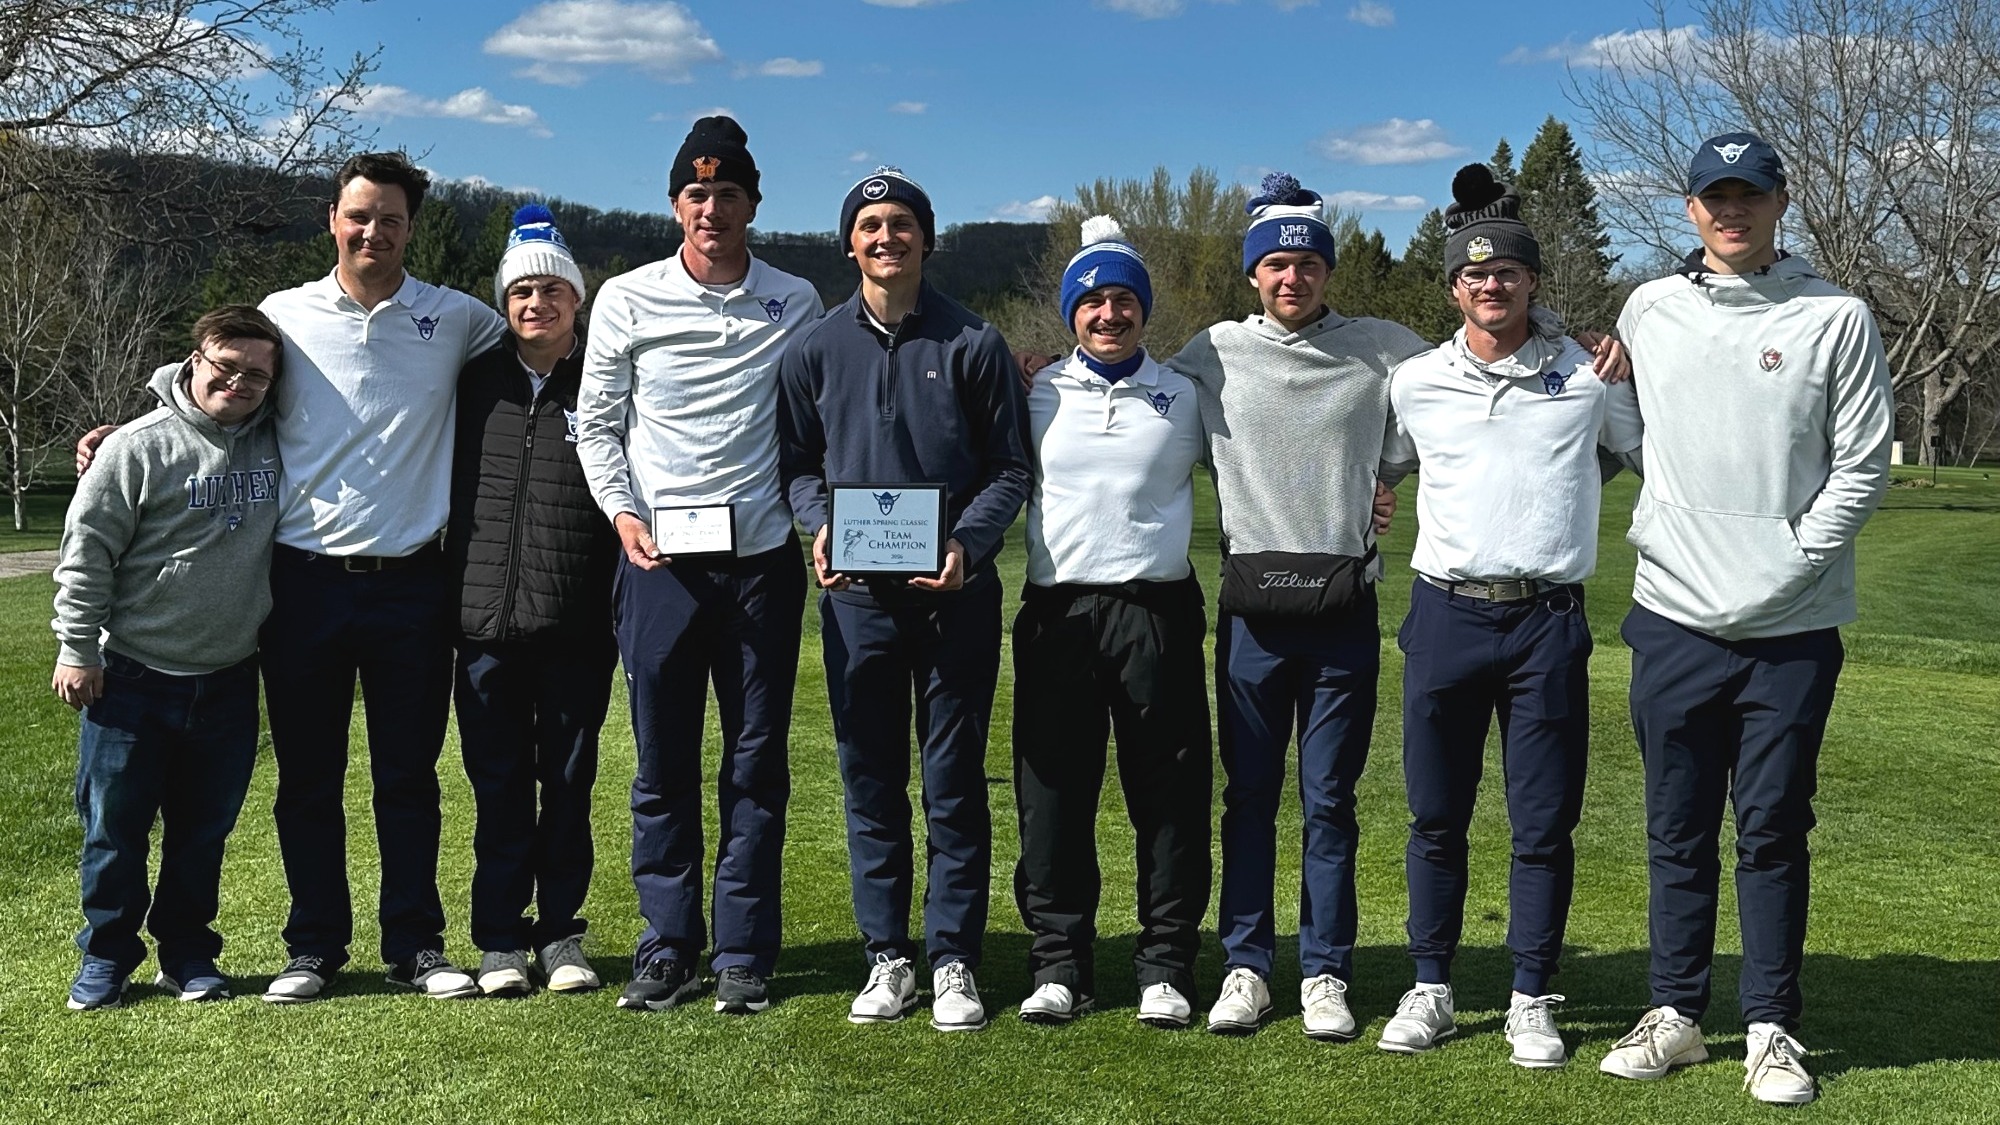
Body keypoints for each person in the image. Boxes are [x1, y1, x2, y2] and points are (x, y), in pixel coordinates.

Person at [1596, 133, 1892, 1106]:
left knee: (1770, 831)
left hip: (1790, 631)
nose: (1732, 211)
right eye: (1714, 196)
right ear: (1690, 209)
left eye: (1749, 195)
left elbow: (1861, 465)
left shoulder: (1834, 316)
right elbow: (1629, 429)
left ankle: (1769, 1027)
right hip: (1673, 618)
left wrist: (1787, 564)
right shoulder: (1649, 306)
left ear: (1779, 201)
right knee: (1675, 830)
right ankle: (1676, 1015)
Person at [1374, 165, 1643, 1067]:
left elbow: (1642, 454)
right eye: (1475, 274)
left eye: (1508, 273)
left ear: (1532, 281)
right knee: (1435, 815)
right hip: (1445, 615)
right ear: (1454, 287)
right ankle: (1432, 985)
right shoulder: (1416, 380)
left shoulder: (1586, 375)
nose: (1492, 286)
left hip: (1546, 624)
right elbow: (1384, 467)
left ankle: (1532, 994)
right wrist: (1374, 497)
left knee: (1542, 822)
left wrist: (1626, 369)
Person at [1166, 173, 1428, 1040]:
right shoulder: (1214, 350)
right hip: (1252, 612)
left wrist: (1383, 479)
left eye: (1308, 263)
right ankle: (1246, 965)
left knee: (1329, 800)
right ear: (1253, 273)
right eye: (1276, 264)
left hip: (1343, 607)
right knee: (1248, 795)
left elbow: (1468, 364)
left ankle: (1324, 971)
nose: (1293, 277)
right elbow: (1134, 389)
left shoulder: (1380, 345)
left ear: (1327, 271)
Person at [776, 166, 1032, 1032]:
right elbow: (797, 465)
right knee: (872, 780)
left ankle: (953, 956)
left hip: (956, 597)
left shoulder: (975, 341)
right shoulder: (814, 348)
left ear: (928, 238)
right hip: (858, 602)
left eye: (901, 224)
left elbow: (1010, 468)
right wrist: (818, 523)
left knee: (953, 780)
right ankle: (888, 955)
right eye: (870, 225)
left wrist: (967, 543)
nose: (886, 237)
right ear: (849, 244)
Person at [576, 116, 822, 1015]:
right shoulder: (627, 297)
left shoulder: (796, 299)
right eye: (695, 193)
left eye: (726, 194)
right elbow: (597, 425)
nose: (710, 208)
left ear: (753, 204)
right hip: (660, 567)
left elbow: (815, 424)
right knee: (662, 764)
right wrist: (622, 513)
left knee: (756, 765)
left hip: (761, 566)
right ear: (675, 205)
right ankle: (669, 943)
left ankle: (744, 950)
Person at [253, 152, 505, 1001]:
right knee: (308, 778)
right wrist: (126, 429)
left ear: (410, 228)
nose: (373, 231)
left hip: (412, 585)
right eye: (359, 216)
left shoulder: (457, 317)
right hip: (303, 583)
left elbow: (545, 347)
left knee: (408, 777)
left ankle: (415, 944)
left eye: (390, 219)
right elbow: (213, 380)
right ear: (332, 219)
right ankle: (314, 945)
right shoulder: (283, 315)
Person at [52, 306, 286, 1009]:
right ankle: (107, 955)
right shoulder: (135, 446)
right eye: (226, 366)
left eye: (256, 375)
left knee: (202, 834)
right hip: (131, 676)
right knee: (114, 832)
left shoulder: (281, 440)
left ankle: (186, 955)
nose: (238, 383)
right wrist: (76, 647)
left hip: (229, 677)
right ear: (194, 361)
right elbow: (86, 553)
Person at [1011, 218, 1210, 1029]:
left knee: (1169, 795)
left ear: (1143, 309)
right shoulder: (1036, 392)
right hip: (1058, 613)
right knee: (1053, 795)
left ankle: (1165, 964)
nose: (1109, 314)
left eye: (1124, 300)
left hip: (1155, 611)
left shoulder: (1184, 393)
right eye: (1092, 301)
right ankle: (1060, 962)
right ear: (1071, 313)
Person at [446, 205, 620, 998]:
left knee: (569, 787)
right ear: (504, 303)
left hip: (576, 624)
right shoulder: (472, 381)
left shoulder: (606, 382)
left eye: (552, 290)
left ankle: (560, 934)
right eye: (521, 292)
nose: (536, 303)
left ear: (576, 300)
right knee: (500, 788)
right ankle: (498, 939)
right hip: (483, 624)